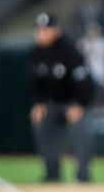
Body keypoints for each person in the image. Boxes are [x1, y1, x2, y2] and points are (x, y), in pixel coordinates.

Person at [30, 12, 96, 182]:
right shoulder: (37, 52)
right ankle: (52, 173)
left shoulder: (70, 50)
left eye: (46, 30)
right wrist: (39, 104)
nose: (42, 33)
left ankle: (82, 174)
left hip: (74, 103)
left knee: (80, 127)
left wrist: (79, 105)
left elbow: (85, 81)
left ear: (56, 30)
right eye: (40, 30)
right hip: (52, 104)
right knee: (41, 124)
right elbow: (36, 82)